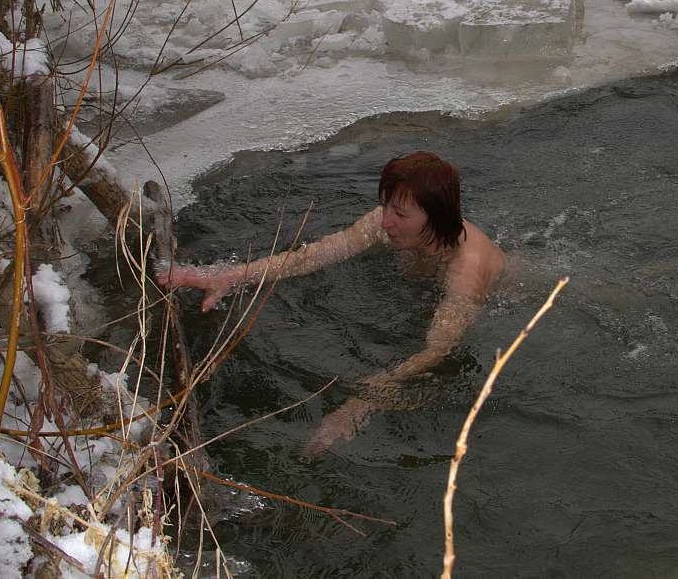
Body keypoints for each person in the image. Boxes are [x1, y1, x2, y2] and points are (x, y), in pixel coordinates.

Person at [159, 151, 507, 456]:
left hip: (506, 296)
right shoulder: (385, 225)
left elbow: (436, 352)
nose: (385, 220)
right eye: (386, 206)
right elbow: (311, 257)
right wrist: (229, 276)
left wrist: (360, 403)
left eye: (399, 214)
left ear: (437, 218)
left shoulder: (466, 270)